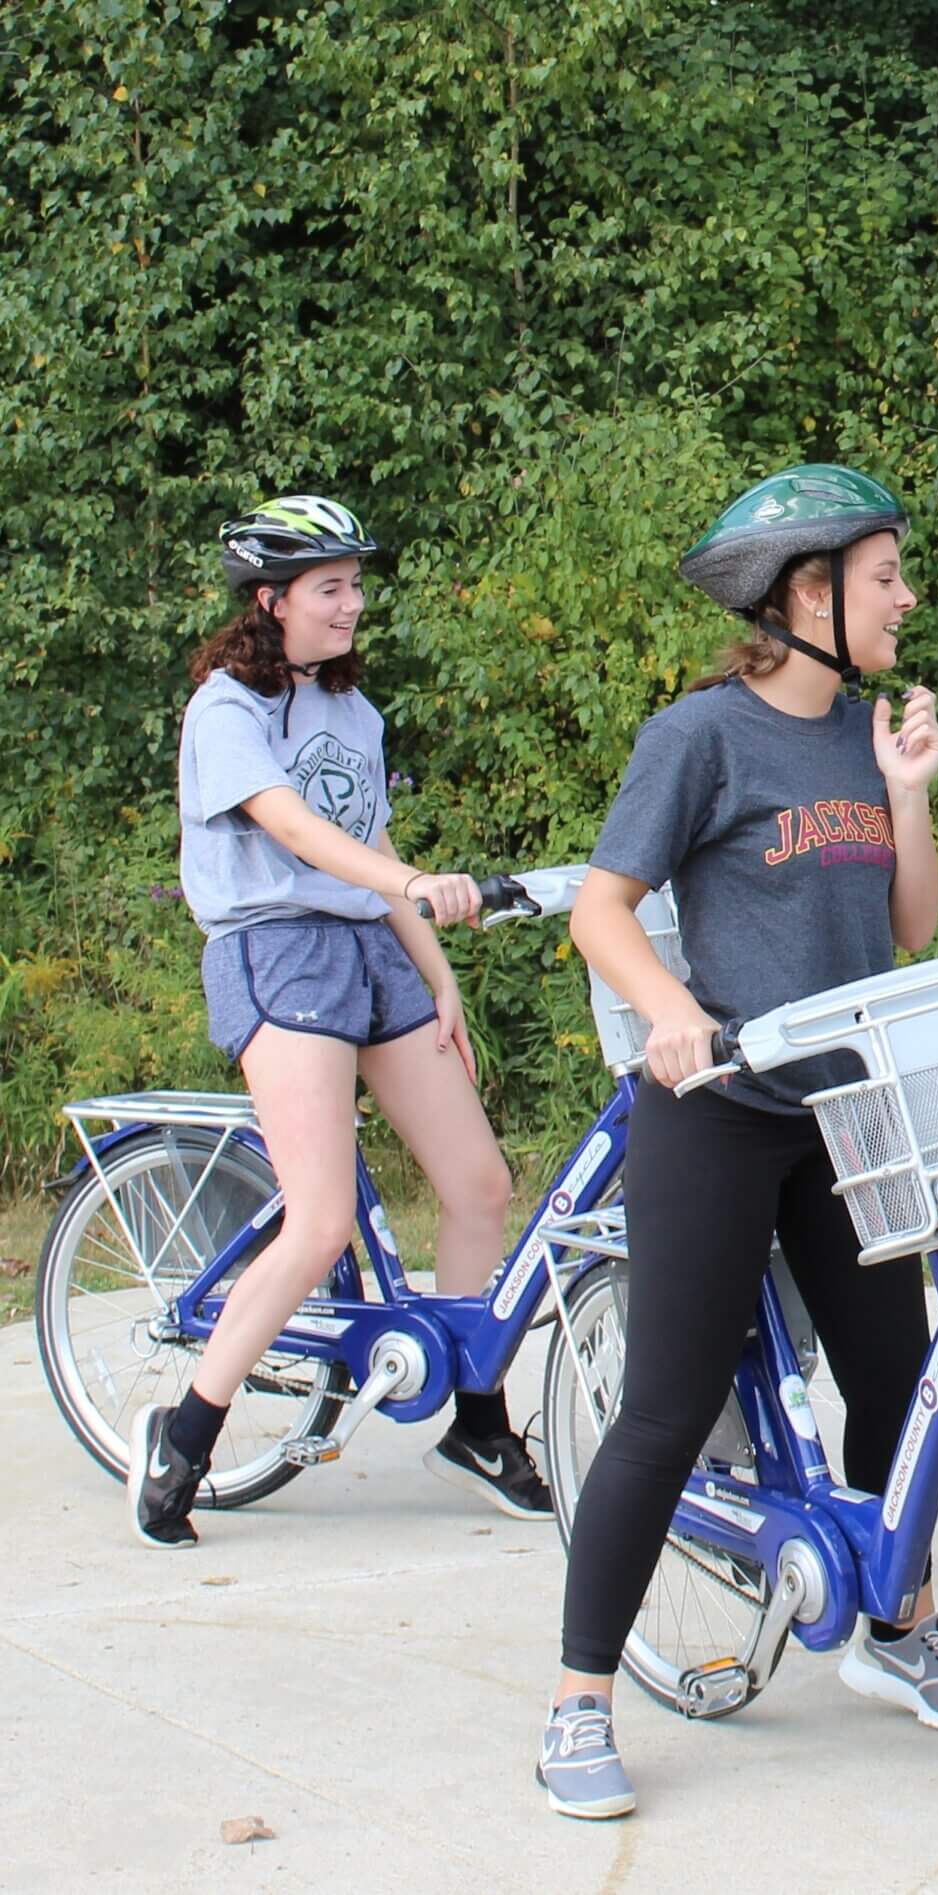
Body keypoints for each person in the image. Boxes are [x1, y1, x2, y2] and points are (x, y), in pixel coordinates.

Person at [539, 463, 938, 1822]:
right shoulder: (703, 737)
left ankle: (895, 1621)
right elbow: (604, 909)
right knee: (669, 1410)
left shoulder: (866, 731)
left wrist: (908, 790)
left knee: (898, 1382)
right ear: (808, 593)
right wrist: (673, 1012)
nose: (907, 597)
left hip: (844, 1110)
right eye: (884, 577)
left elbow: (908, 925)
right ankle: (576, 1700)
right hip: (718, 1113)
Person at [133, 496, 546, 1549]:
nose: (353, 603)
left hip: (370, 945)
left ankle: (477, 1422)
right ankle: (185, 1433)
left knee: (480, 1183)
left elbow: (372, 842)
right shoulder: (226, 709)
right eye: (331, 588)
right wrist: (412, 882)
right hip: (278, 947)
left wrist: (435, 969)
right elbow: (295, 830)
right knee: (318, 1222)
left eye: (357, 585)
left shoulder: (355, 714)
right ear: (270, 601)